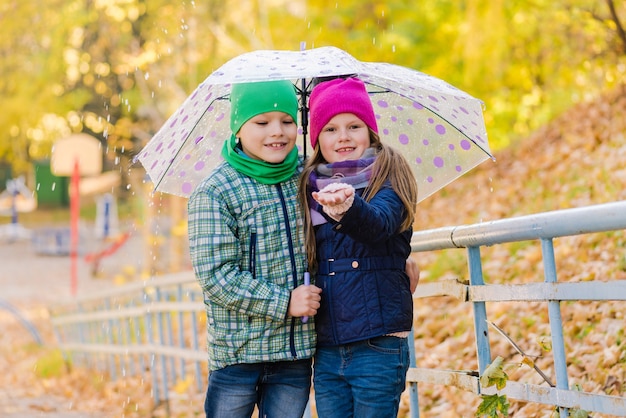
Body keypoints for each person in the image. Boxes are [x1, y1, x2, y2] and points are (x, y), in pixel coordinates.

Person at [187, 80, 322, 418]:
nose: (277, 131)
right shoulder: (215, 191)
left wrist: (398, 254)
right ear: (238, 128)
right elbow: (217, 276)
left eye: (287, 121)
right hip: (238, 356)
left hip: (293, 354)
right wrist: (284, 302)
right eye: (262, 122)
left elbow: (348, 232)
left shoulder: (309, 177)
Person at [298, 76, 419, 418]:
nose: (344, 137)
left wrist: (348, 208)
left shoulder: (388, 174)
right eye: (331, 129)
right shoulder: (308, 185)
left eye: (354, 125)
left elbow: (379, 224)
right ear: (317, 138)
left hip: (376, 342)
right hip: (328, 346)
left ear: (370, 130)